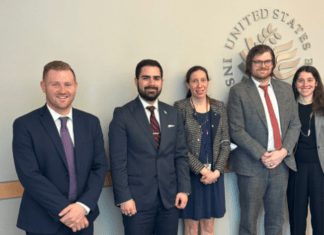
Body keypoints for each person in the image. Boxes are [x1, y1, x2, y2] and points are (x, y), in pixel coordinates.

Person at [12, 61, 108, 235]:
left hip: (83, 219)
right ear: (43, 86)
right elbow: (29, 175)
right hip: (42, 222)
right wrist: (68, 212)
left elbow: (99, 167)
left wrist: (82, 207)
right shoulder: (25, 125)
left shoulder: (91, 123)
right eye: (55, 84)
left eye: (67, 84)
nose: (62, 90)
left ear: (75, 86)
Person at [109, 59, 191, 235]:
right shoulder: (122, 115)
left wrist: (183, 189)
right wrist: (124, 197)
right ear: (136, 81)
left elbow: (180, 155)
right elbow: (118, 161)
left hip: (170, 200)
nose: (151, 83)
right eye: (146, 78)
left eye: (156, 78)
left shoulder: (173, 114)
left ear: (162, 81)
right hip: (136, 203)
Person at [227, 44, 301, 235]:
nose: (262, 65)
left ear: (273, 64)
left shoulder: (285, 90)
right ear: (250, 65)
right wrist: (263, 154)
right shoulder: (238, 91)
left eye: (267, 61)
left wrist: (283, 152)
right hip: (251, 166)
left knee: (276, 221)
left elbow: (295, 124)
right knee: (249, 221)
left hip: (281, 165)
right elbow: (236, 129)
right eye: (257, 62)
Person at [174, 66, 230, 235]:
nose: (199, 84)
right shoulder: (180, 107)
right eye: (194, 81)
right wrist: (201, 170)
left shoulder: (219, 107)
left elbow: (226, 143)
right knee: (191, 228)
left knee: (209, 227)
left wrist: (217, 171)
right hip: (191, 178)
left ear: (208, 82)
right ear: (188, 84)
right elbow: (179, 146)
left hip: (214, 177)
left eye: (203, 80)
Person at [287, 66, 324, 235]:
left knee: (320, 217)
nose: (305, 84)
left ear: (316, 83)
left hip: (320, 169)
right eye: (300, 80)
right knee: (297, 217)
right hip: (296, 168)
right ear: (295, 84)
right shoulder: (288, 109)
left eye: (310, 80)